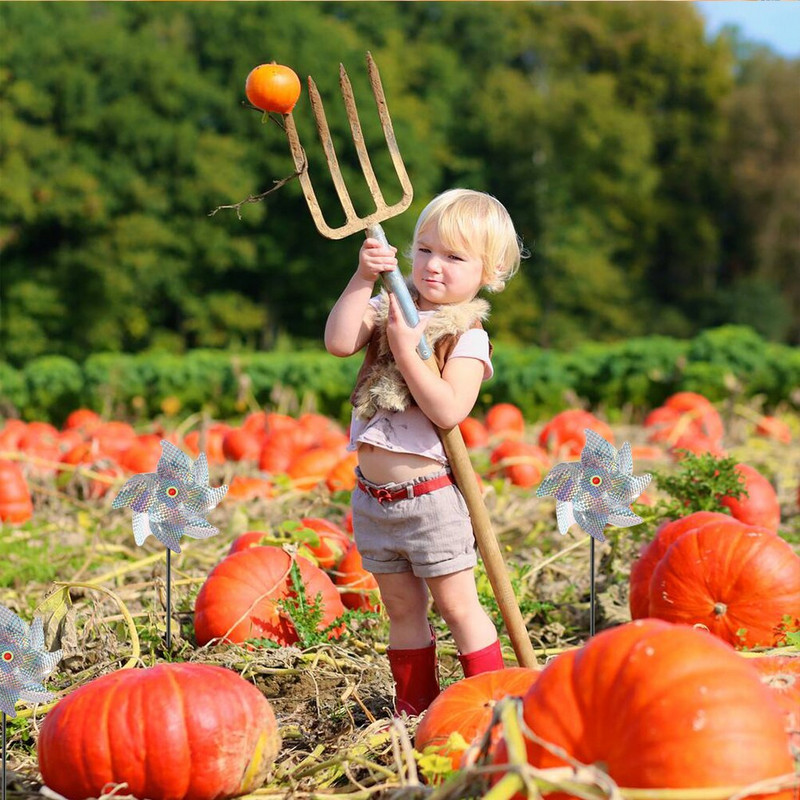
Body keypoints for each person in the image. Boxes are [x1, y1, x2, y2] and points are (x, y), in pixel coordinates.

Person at [324, 188, 523, 716]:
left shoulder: (467, 336)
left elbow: (448, 408)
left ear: (491, 272)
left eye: (455, 257)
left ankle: (493, 704)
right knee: (401, 608)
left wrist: (409, 349)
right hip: (373, 499)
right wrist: (363, 278)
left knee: (458, 606)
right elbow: (340, 341)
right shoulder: (390, 304)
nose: (434, 266)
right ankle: (417, 712)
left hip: (428, 500)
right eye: (425, 249)